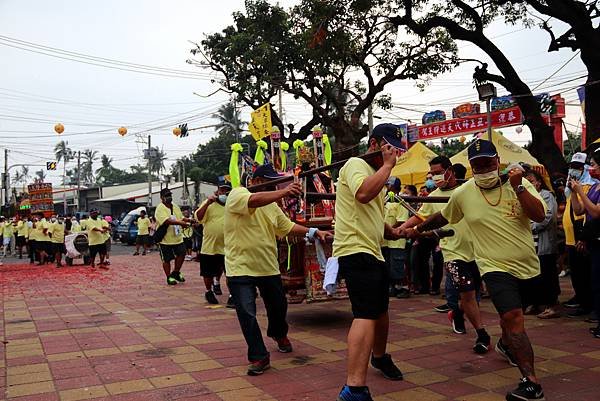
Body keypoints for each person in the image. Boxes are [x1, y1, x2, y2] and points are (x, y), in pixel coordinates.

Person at [403, 139, 547, 401]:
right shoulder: (464, 193)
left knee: (509, 320)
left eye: (488, 163)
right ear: (471, 167)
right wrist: (413, 229)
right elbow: (443, 217)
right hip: (493, 266)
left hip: (527, 265)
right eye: (478, 165)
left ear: (497, 162)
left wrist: (519, 189)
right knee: (514, 316)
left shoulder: (520, 184)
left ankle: (505, 344)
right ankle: (531, 383)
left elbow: (539, 216)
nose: (484, 169)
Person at [224, 164, 330, 376]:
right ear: (255, 182)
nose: (272, 187)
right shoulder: (237, 193)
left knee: (278, 306)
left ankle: (278, 333)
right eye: (268, 182)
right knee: (247, 313)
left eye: (275, 183)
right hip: (239, 266)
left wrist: (314, 232)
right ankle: (258, 355)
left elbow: (287, 227)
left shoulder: (272, 205)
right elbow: (252, 201)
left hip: (267, 266)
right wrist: (282, 192)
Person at [333, 124, 405, 401]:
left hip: (374, 250)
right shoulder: (355, 164)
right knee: (365, 314)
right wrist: (387, 167)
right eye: (388, 147)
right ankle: (354, 388)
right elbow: (362, 194)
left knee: (380, 312)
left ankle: (380, 356)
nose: (392, 154)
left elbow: (371, 212)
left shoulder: (377, 175)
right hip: (356, 249)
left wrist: (391, 230)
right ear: (374, 144)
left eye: (395, 150)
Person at [401, 156, 490, 352]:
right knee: (466, 291)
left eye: (438, 172)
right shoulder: (433, 195)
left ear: (450, 170)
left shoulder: (468, 190)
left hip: (479, 250)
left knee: (475, 294)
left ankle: (457, 313)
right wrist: (402, 228)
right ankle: (482, 334)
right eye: (432, 173)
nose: (435, 176)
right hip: (452, 251)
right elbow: (419, 217)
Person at [570, 150, 600, 338]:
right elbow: (580, 210)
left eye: (594, 165)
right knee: (595, 281)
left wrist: (580, 190)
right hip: (594, 241)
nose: (591, 168)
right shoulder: (596, 187)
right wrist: (574, 192)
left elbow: (596, 212)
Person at [562, 152, 595, 318]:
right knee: (576, 272)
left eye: (579, 167)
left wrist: (583, 237)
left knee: (586, 272)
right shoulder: (572, 187)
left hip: (582, 234)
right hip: (570, 236)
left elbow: (588, 211)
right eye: (572, 167)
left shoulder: (591, 185)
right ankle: (582, 300)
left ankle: (588, 304)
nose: (574, 170)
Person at [525, 170, 561, 319]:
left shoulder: (547, 196)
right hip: (530, 244)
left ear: (539, 182)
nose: (530, 184)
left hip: (544, 243)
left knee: (548, 274)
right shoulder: (525, 197)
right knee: (534, 275)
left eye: (531, 181)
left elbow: (547, 218)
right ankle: (535, 302)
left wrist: (530, 226)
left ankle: (551, 305)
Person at [195, 185, 231, 304]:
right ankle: (208, 291)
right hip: (210, 246)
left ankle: (233, 295)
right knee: (207, 272)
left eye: (227, 191)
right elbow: (198, 218)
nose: (224, 193)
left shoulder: (233, 204)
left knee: (230, 272)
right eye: (222, 190)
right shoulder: (209, 203)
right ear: (217, 191)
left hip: (229, 246)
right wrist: (207, 203)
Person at [155, 188, 191, 285]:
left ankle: (176, 272)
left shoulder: (175, 206)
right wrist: (180, 222)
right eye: (166, 196)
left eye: (169, 195)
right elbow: (166, 221)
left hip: (177, 237)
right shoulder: (160, 208)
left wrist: (189, 220)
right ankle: (169, 277)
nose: (169, 197)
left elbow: (180, 217)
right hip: (165, 239)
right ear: (161, 198)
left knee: (182, 253)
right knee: (166, 259)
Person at [382, 177, 410, 298]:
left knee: (397, 265)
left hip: (396, 240)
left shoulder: (401, 202)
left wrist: (390, 230)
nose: (387, 188)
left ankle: (403, 288)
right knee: (387, 265)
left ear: (395, 188)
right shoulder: (383, 201)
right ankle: (392, 287)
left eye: (389, 186)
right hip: (384, 241)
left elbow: (401, 221)